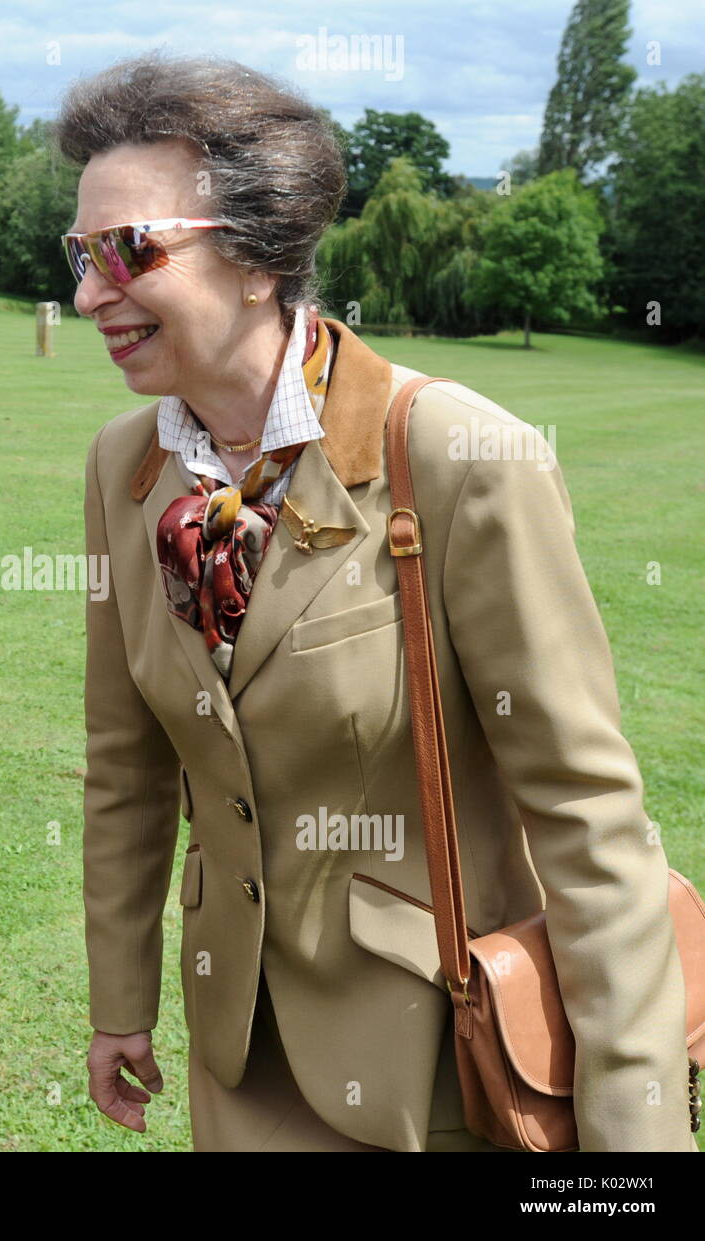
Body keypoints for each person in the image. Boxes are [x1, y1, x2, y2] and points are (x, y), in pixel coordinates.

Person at [58, 52, 697, 1152]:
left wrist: (635, 1135)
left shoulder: (456, 456)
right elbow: (126, 764)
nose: (84, 294)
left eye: (125, 250)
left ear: (258, 259)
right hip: (238, 1061)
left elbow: (587, 814)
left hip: (438, 1065)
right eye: (79, 253)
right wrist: (122, 999)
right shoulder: (126, 468)